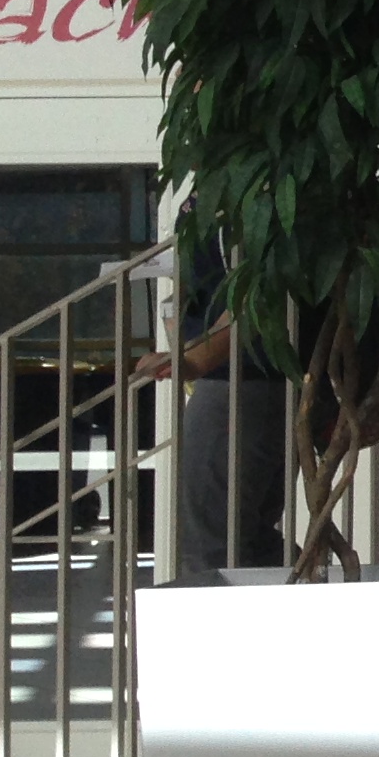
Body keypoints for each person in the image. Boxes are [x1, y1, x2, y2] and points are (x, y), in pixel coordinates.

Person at [150, 230, 288, 577]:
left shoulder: (241, 200)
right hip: (250, 378)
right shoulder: (211, 205)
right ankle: (314, 588)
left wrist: (194, 358)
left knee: (212, 544)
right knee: (245, 538)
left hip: (240, 380)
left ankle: (219, 626)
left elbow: (252, 297)